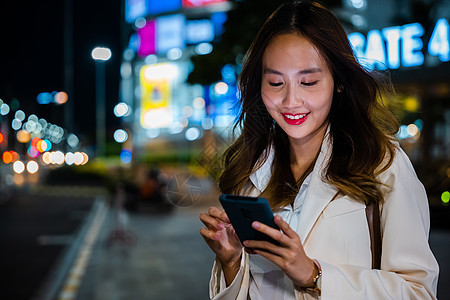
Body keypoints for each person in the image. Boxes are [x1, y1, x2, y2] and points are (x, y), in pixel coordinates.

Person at [199, 1, 439, 299]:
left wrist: (314, 275)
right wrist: (231, 261)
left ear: (338, 82)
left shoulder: (383, 165)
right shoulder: (250, 172)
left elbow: (419, 292)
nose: (290, 101)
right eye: (275, 82)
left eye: (308, 82)